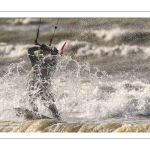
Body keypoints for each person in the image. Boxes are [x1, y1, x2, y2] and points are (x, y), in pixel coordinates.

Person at [27, 44, 61, 120]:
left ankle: (58, 118)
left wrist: (54, 52)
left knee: (50, 103)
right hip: (34, 85)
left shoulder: (51, 63)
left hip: (44, 87)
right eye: (42, 54)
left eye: (46, 54)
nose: (43, 56)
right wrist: (39, 48)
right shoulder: (35, 61)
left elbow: (55, 56)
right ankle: (34, 112)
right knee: (32, 98)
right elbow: (30, 50)